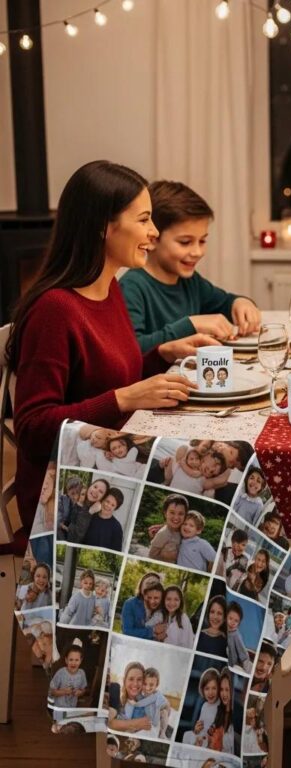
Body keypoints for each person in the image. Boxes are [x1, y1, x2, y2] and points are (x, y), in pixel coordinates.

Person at [3, 160, 212, 557]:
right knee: (211, 477)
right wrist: (124, 399)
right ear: (104, 226)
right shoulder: (55, 310)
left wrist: (159, 356)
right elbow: (31, 429)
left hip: (114, 463)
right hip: (70, 496)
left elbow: (109, 375)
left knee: (212, 460)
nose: (153, 232)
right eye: (145, 219)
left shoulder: (108, 289)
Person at [119, 180, 261, 352]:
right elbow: (133, 349)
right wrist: (191, 325)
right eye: (185, 242)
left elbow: (224, 302)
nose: (197, 252)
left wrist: (240, 302)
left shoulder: (191, 281)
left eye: (202, 240)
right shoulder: (132, 286)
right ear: (152, 239)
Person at [123, 667, 171, 740]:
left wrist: (134, 703)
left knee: (164, 713)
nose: (147, 688)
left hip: (155, 719)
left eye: (151, 685)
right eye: (145, 684)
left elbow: (143, 703)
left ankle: (163, 732)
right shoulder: (140, 694)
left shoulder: (156, 695)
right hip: (146, 718)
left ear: (156, 685)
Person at [108, 662, 153, 734]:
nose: (135, 684)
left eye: (139, 679)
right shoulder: (118, 699)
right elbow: (109, 723)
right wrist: (135, 723)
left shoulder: (146, 701)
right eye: (131, 679)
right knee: (114, 686)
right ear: (124, 681)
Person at [182, 668, 220, 748]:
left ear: (219, 689)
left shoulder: (219, 706)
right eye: (207, 689)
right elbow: (201, 729)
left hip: (211, 740)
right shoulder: (205, 706)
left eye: (214, 688)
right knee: (187, 735)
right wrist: (196, 731)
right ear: (202, 690)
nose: (210, 692)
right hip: (202, 737)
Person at [66, 478, 110, 544]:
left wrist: (89, 513)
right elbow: (71, 530)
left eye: (100, 492)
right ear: (90, 486)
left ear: (103, 497)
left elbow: (75, 539)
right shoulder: (81, 504)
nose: (95, 491)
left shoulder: (99, 515)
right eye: (95, 487)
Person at [148, 493, 189, 563]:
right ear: (165, 513)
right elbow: (150, 557)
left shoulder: (185, 531)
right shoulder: (162, 534)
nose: (176, 517)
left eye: (181, 514)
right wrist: (164, 557)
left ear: (185, 515)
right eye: (172, 512)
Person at [49, 643, 88, 715]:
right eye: (71, 660)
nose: (73, 663)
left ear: (81, 660)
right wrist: (64, 692)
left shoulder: (82, 673)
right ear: (66, 660)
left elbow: (83, 689)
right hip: (59, 708)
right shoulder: (61, 673)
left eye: (77, 660)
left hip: (72, 708)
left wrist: (80, 692)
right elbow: (51, 691)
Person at [82, 487, 125, 551]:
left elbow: (116, 552)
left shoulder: (117, 527)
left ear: (115, 508)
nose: (108, 506)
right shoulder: (90, 516)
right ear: (102, 499)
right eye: (107, 501)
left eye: (113, 505)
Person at [226, 601, 253, 674]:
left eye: (236, 621)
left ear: (239, 623)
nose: (232, 622)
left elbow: (243, 655)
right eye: (230, 618)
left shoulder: (236, 635)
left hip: (232, 666)